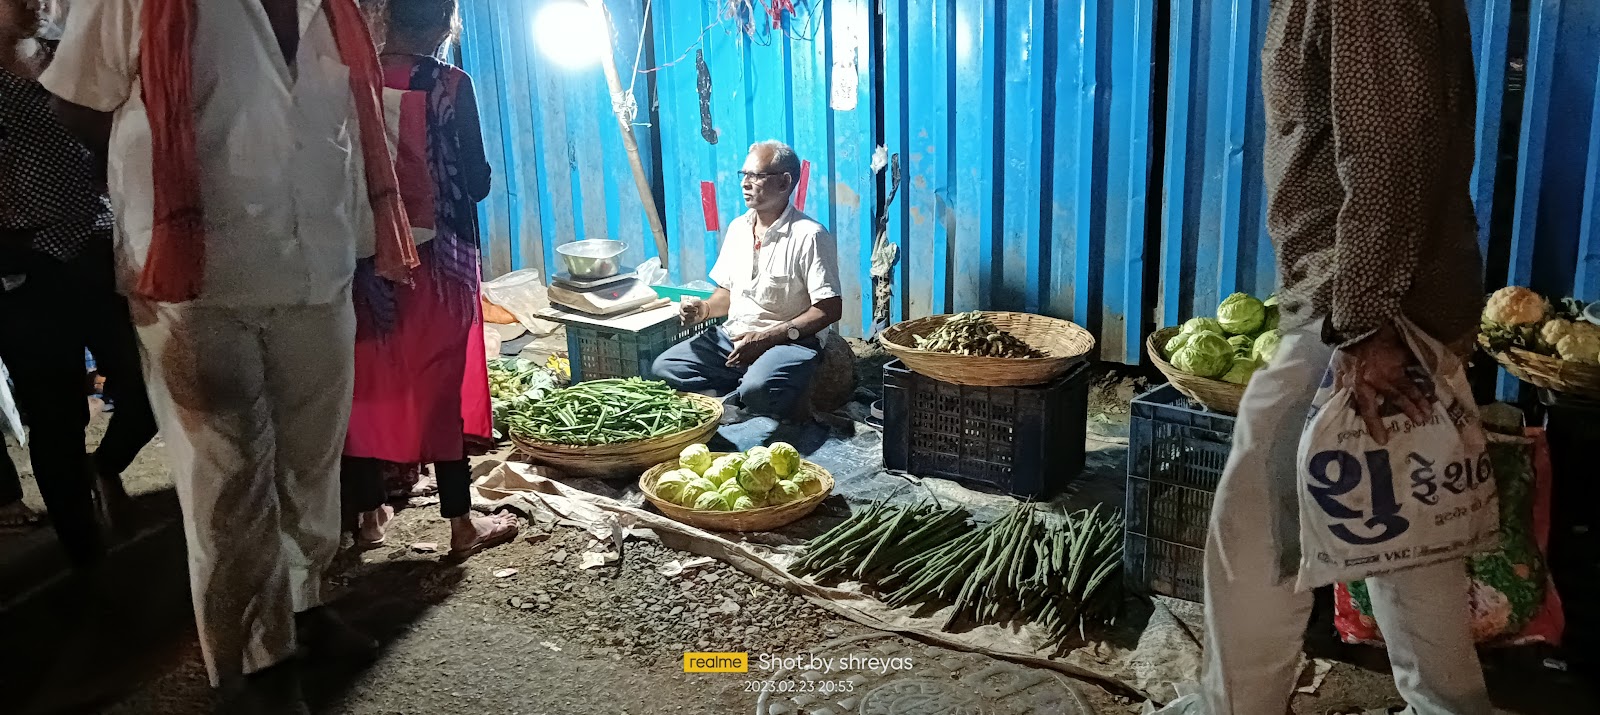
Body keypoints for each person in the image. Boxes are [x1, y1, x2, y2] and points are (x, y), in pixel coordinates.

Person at [43, 0, 420, 711]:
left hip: (317, 264)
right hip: (195, 278)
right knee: (229, 482)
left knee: (310, 466)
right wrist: (156, 179)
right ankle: (253, 667)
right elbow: (78, 105)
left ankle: (302, 607)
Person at [1201, 1, 1489, 714]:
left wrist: (1364, 329)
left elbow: (1391, 149)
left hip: (1355, 307)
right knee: (1405, 534)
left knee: (1259, 521)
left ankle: (1238, 706)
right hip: (1380, 301)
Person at [340, 0, 517, 557]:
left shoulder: (351, 78)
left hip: (364, 254)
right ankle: (461, 524)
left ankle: (368, 517)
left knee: (365, 376)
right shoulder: (448, 84)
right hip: (440, 259)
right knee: (440, 380)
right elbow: (476, 180)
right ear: (446, 25)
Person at [0, 0, 157, 563]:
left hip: (103, 246)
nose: (37, 2)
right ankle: (84, 551)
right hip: (26, 265)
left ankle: (105, 468)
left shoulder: (70, 55)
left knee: (147, 389)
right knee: (54, 413)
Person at [652, 140, 843, 424]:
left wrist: (767, 338)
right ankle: (740, 396)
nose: (746, 184)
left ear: (784, 182)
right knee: (664, 368)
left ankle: (754, 393)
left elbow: (829, 309)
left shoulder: (810, 235)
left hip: (788, 342)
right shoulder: (738, 228)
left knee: (758, 389)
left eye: (756, 176)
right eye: (744, 175)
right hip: (734, 337)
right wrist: (702, 310)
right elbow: (726, 294)